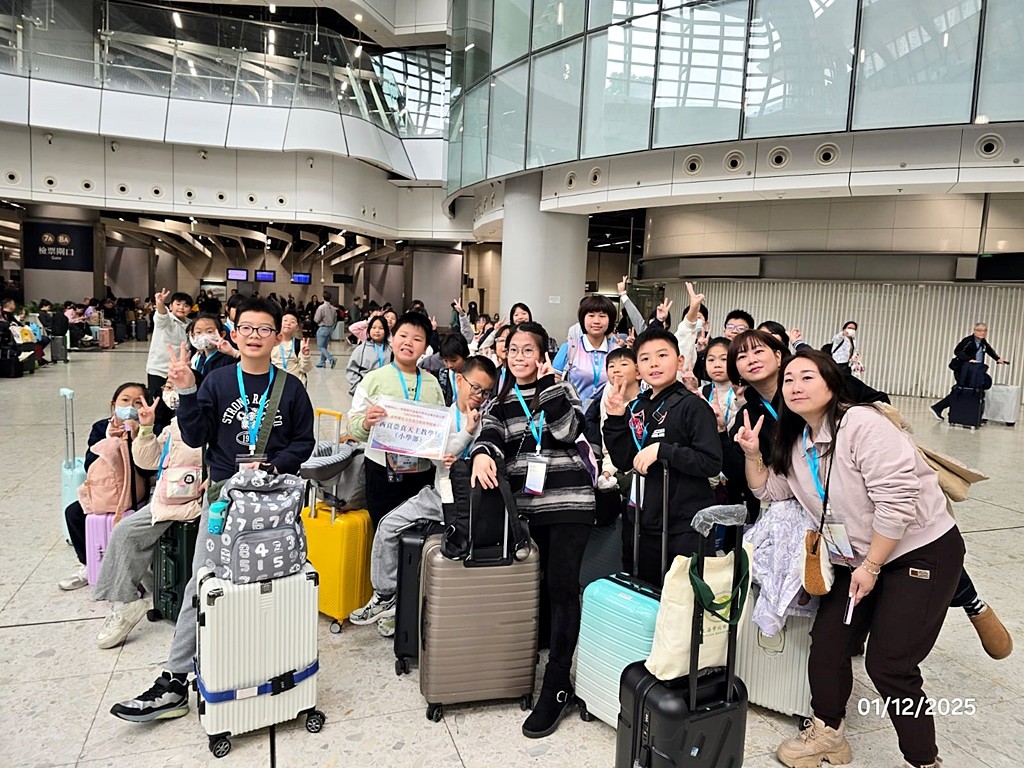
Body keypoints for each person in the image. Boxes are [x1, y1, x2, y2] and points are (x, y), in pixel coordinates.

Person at [738, 349, 963, 768]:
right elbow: (770, 492)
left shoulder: (861, 424)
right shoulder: (797, 440)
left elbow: (898, 501)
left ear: (832, 384)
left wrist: (872, 566)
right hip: (853, 558)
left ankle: (923, 760)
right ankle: (828, 734)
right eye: (789, 380)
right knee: (828, 645)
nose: (795, 386)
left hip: (918, 550)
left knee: (889, 664)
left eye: (807, 377)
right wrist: (753, 453)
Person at [109, 297, 315, 723]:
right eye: (247, 328)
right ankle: (175, 679)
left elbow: (303, 441)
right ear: (234, 333)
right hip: (224, 498)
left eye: (264, 329)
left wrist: (275, 465)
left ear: (277, 337)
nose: (255, 336)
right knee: (203, 581)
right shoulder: (218, 381)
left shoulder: (291, 388)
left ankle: (265, 664)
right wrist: (187, 389)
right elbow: (196, 435)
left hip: (274, 501)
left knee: (277, 582)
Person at [470, 321, 594, 739]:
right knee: (534, 588)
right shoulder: (500, 401)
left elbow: (568, 431)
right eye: (513, 350)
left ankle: (557, 683)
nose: (519, 357)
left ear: (543, 355)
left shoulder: (562, 388)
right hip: (525, 509)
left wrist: (548, 387)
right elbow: (489, 436)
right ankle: (534, 660)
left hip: (570, 503)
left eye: (528, 350)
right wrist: (482, 454)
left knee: (562, 586)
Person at [349, 356, 498, 636]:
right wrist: (462, 436)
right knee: (388, 526)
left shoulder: (487, 420)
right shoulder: (442, 416)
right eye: (476, 387)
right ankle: (386, 594)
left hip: (471, 502)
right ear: (459, 380)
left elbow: (474, 450)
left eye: (486, 391)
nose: (479, 396)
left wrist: (467, 435)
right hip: (439, 495)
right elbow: (440, 456)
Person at [603, 328, 722, 582]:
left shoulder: (693, 406)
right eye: (645, 358)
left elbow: (711, 462)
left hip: (684, 525)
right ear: (638, 369)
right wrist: (614, 420)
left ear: (679, 361)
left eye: (662, 355)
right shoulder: (637, 406)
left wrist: (663, 451)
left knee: (681, 595)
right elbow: (624, 460)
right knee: (641, 591)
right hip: (641, 520)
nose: (654, 363)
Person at [92, 384, 203, 649]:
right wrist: (145, 429)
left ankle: (127, 603)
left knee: (128, 533)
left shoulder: (203, 422)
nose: (169, 391)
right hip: (167, 498)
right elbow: (148, 462)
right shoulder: (173, 425)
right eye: (167, 386)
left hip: (189, 501)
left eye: (174, 386)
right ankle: (131, 601)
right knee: (125, 532)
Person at [347, 312, 444, 529]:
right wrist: (366, 423)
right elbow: (353, 427)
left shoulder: (432, 383)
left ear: (425, 347)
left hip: (421, 473)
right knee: (383, 527)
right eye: (403, 336)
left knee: (417, 533)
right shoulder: (374, 379)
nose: (408, 343)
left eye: (417, 339)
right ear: (392, 339)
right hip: (382, 471)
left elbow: (440, 428)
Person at [58, 382, 151, 591]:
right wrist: (110, 440)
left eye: (138, 402)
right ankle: (89, 565)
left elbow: (147, 469)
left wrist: (137, 437)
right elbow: (90, 463)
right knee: (73, 513)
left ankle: (136, 572)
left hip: (135, 491)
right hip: (105, 491)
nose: (130, 407)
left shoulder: (149, 428)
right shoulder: (101, 428)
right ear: (113, 404)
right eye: (125, 400)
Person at [720, 329, 789, 522]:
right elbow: (737, 474)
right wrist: (720, 431)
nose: (751, 360)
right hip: (777, 509)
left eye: (758, 351)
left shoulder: (804, 395)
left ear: (778, 357)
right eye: (742, 356)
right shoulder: (747, 415)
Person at [553, 295, 619, 410]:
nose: (596, 321)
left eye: (602, 316)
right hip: (573, 415)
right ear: (583, 318)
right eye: (591, 316)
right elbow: (555, 381)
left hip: (606, 415)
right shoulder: (569, 348)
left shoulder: (616, 351)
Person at [930, 323, 1008, 420]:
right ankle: (942, 409)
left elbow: (989, 350)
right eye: (979, 330)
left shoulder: (983, 342)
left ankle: (950, 411)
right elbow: (957, 351)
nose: (982, 333)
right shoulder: (968, 341)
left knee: (969, 390)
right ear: (974, 331)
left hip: (974, 371)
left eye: (984, 330)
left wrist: (998, 359)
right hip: (963, 370)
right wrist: (968, 359)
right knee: (961, 390)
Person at [145, 289, 192, 400]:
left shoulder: (190, 324)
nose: (181, 308)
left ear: (190, 309)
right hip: (159, 370)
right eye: (178, 304)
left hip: (178, 372)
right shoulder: (166, 320)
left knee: (175, 402)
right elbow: (162, 314)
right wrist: (160, 303)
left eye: (186, 306)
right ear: (170, 306)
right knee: (157, 402)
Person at [702, 337, 744, 434]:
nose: (717, 365)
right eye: (711, 360)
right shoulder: (700, 392)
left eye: (724, 359)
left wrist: (741, 402)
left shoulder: (743, 393)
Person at [420, 332, 471, 406]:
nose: (449, 365)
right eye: (445, 361)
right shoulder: (442, 374)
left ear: (465, 355)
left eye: (454, 360)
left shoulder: (474, 374)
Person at [346, 315, 392, 394]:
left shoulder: (391, 349)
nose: (377, 331)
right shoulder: (361, 349)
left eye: (381, 328)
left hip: (385, 392)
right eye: (374, 328)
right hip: (365, 391)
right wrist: (359, 387)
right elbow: (351, 370)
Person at [270, 309, 313, 387]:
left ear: (297, 327)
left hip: (294, 385)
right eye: (285, 320)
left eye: (292, 322)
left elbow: (305, 369)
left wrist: (305, 356)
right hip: (274, 383)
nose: (288, 323)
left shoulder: (300, 344)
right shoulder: (271, 342)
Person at [313, 295, 339, 369]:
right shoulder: (333, 309)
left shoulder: (321, 307)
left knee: (321, 346)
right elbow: (335, 319)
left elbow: (316, 319)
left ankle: (331, 358)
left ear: (323, 298)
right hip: (330, 329)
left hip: (323, 328)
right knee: (324, 346)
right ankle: (322, 362)